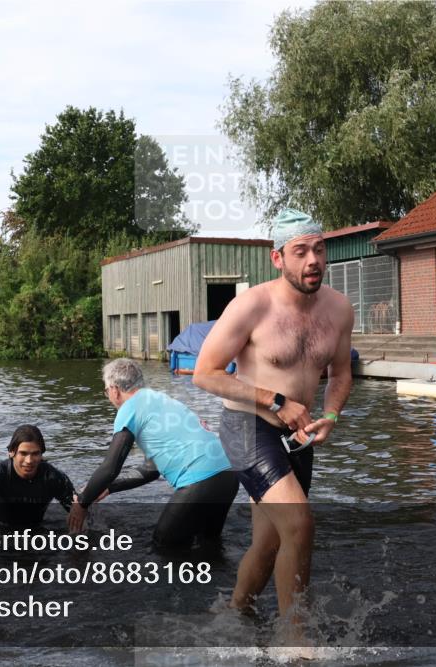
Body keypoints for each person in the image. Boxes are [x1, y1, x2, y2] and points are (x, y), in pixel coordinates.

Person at [193, 208, 354, 635]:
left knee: (271, 540)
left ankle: (236, 612)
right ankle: (295, 639)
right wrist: (276, 399)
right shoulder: (251, 306)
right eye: (300, 251)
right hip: (248, 426)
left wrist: (332, 415)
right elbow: (204, 373)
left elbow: (340, 373)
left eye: (319, 249)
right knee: (300, 524)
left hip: (298, 434)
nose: (313, 260)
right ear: (278, 258)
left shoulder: (338, 309)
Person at [68, 358, 239, 549]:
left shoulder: (129, 408)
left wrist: (82, 503)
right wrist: (108, 488)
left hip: (200, 480)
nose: (108, 396)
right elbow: (151, 470)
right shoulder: (159, 399)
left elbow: (110, 468)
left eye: (106, 391)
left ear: (115, 390)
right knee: (208, 546)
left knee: (164, 547)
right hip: (228, 475)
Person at [0, 425, 75, 528]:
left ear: (41, 454)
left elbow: (78, 508)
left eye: (35, 454)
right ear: (11, 452)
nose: (29, 461)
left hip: (36, 528)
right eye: (23, 453)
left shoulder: (53, 478)